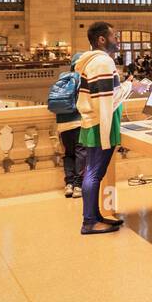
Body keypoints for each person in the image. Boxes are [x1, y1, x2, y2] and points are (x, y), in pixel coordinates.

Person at [74, 22, 125, 236]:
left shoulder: (94, 60)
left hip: (96, 122)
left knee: (95, 172)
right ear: (102, 39)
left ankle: (95, 217)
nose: (118, 40)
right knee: (94, 173)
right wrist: (106, 135)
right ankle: (89, 222)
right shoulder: (103, 62)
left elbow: (107, 96)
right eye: (114, 36)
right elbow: (103, 102)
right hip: (100, 124)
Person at [55, 52, 84, 199]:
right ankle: (78, 185)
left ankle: (69, 184)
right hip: (78, 122)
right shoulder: (83, 79)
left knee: (68, 154)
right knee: (80, 152)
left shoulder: (63, 77)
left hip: (62, 124)